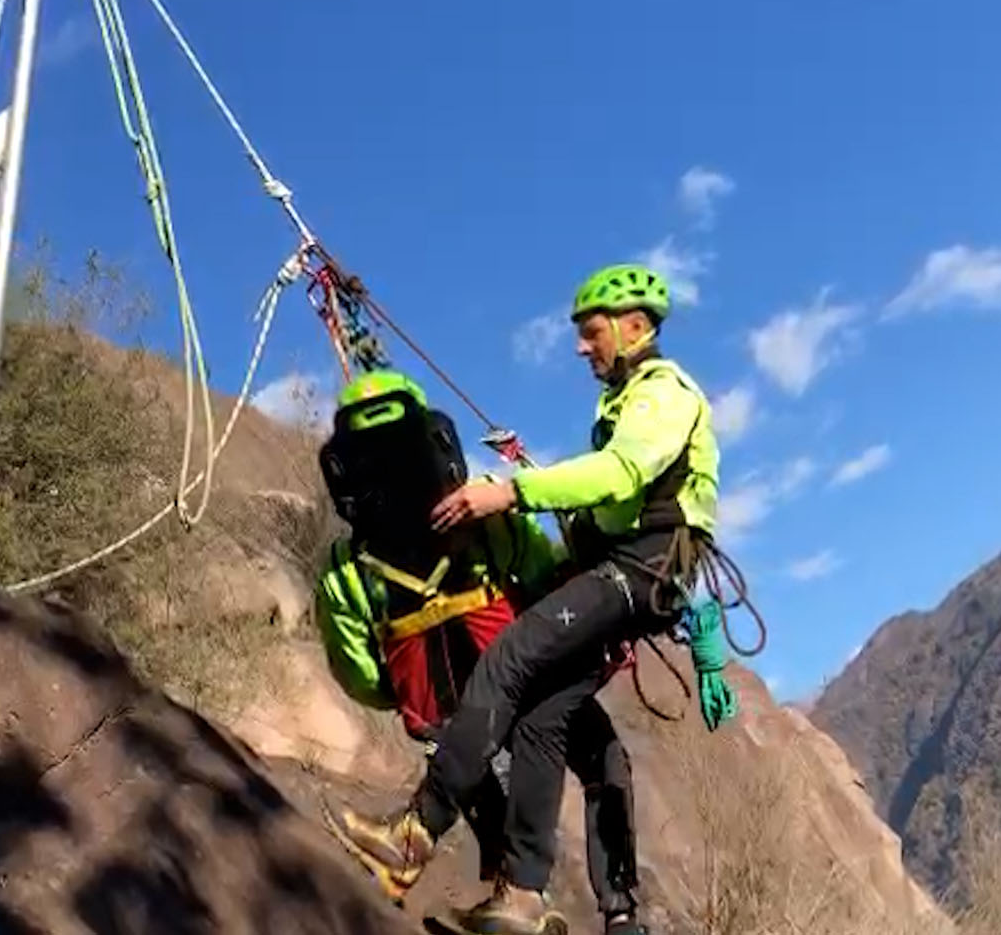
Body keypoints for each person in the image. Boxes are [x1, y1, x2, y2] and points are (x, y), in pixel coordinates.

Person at [327, 264, 731, 935]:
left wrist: (509, 491)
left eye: (592, 332)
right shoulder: (629, 401)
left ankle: (414, 834)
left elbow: (622, 472)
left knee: (509, 659)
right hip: (638, 569)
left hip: (641, 568)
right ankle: (531, 899)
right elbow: (613, 506)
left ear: (636, 325)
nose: (581, 347)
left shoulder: (663, 392)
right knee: (548, 718)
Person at [312, 370, 645, 928]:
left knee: (493, 813)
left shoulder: (346, 572)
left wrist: (401, 694)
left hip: (444, 720)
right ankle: (618, 915)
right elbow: (541, 581)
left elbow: (360, 675)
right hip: (524, 688)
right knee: (604, 759)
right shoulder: (484, 514)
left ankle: (496, 894)